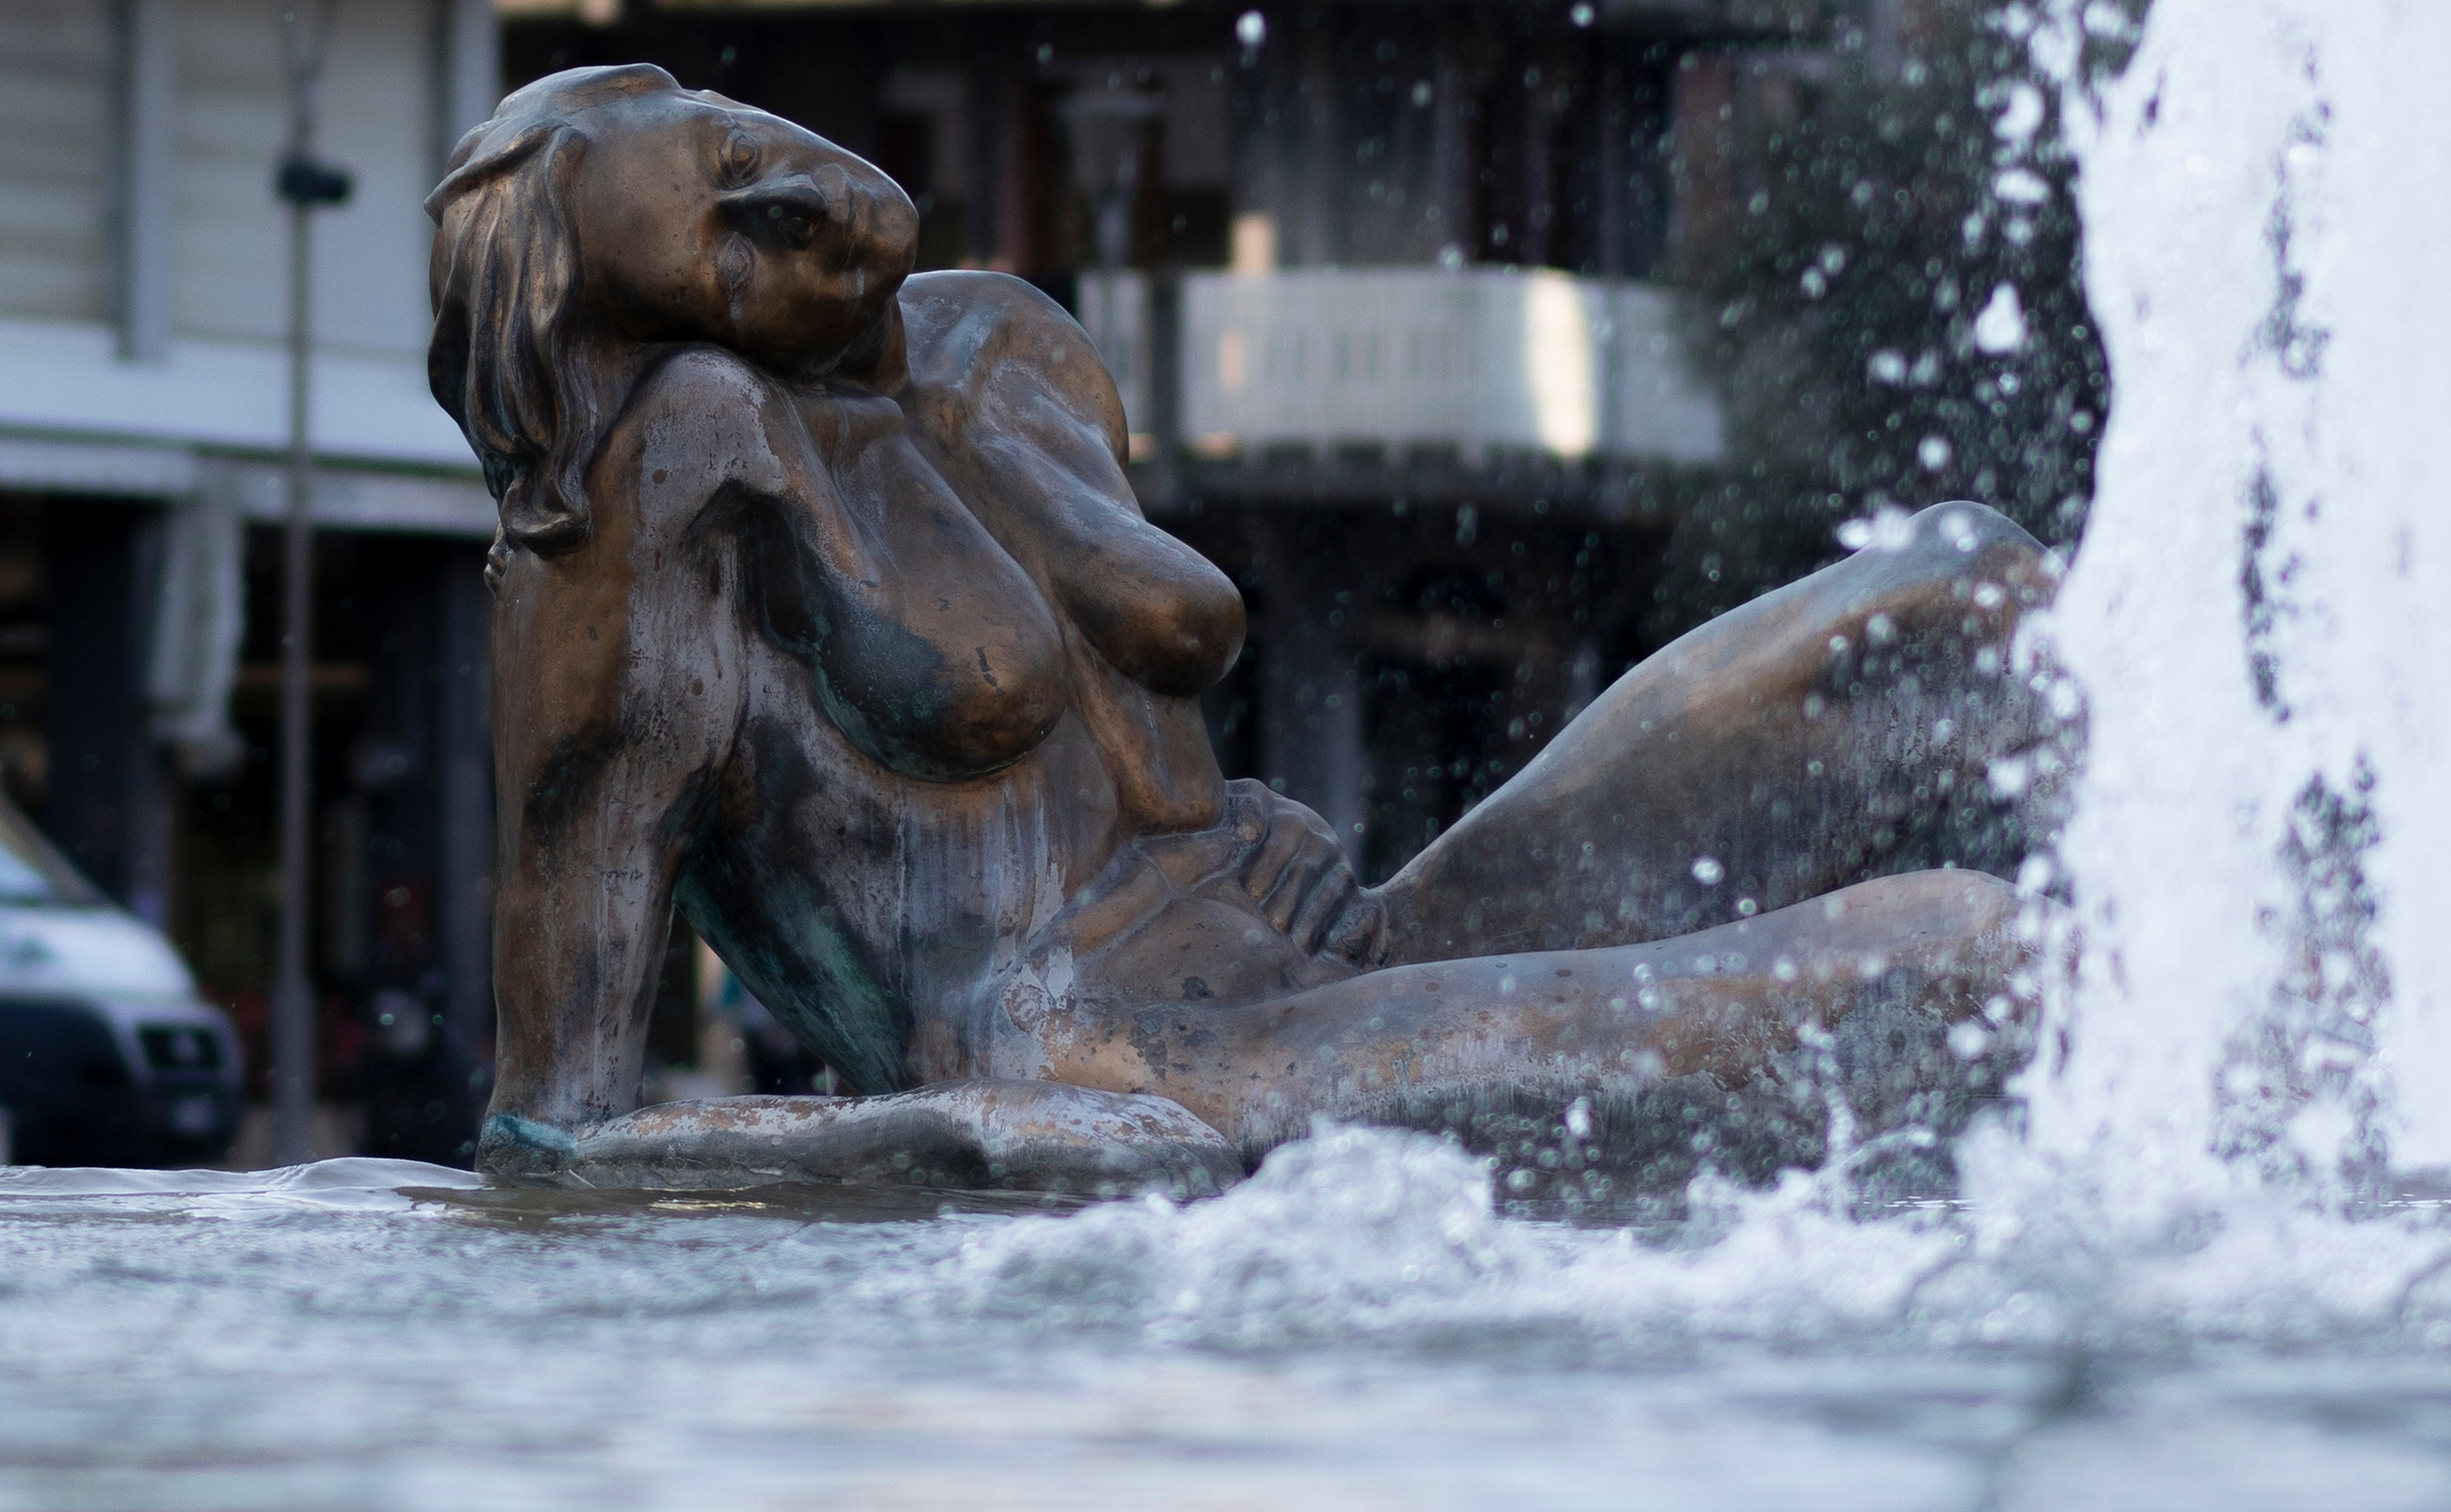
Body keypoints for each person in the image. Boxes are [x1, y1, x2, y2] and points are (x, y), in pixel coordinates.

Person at [427, 65, 2056, 1198]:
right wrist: (924, 1134)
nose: (798, 198)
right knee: (1952, 954)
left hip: (1325, 942)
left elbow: (1134, 736)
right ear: (659, 337)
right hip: (1131, 1061)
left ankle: (2285, 968)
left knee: (1957, 592)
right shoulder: (667, 487)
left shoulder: (1001, 342)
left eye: (728, 144)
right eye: (725, 243)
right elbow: (554, 1140)